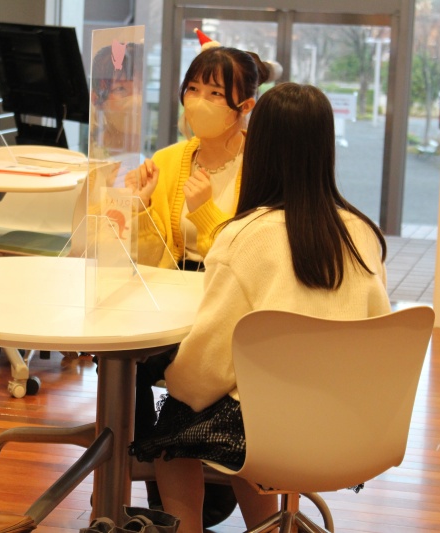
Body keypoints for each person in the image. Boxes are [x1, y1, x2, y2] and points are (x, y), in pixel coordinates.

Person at [128, 83, 392, 533]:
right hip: (354, 424)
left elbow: (206, 367)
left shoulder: (245, 236)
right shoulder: (362, 233)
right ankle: (270, 526)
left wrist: (175, 383)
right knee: (247, 410)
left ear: (260, 147)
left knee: (181, 417)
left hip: (270, 429)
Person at [125, 31, 274, 270]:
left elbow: (252, 262)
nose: (198, 101)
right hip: (170, 287)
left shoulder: (266, 168)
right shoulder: (166, 160)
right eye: (193, 88)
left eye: (215, 93)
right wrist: (140, 207)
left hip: (228, 288)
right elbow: (149, 261)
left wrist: (204, 211)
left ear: (245, 106)